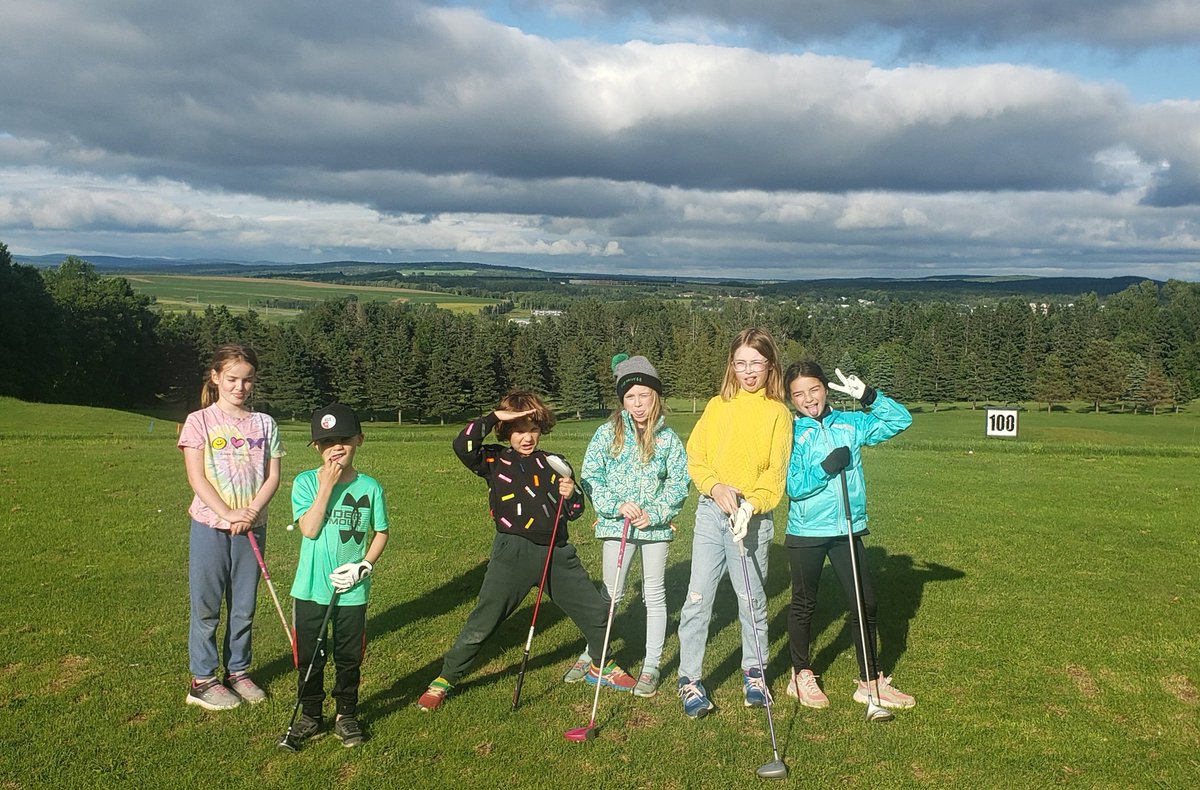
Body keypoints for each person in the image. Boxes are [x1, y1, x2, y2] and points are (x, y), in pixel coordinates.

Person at [417, 391, 637, 711]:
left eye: (532, 429)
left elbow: (574, 510)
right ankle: (446, 679)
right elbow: (462, 445)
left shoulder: (555, 462)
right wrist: (496, 417)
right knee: (483, 622)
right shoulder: (493, 460)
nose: (526, 437)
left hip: (556, 554)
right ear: (507, 432)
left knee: (597, 614)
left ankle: (599, 666)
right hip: (512, 553)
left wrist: (571, 491)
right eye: (518, 430)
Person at [782, 362, 914, 710]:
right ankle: (801, 675)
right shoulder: (791, 433)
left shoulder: (851, 423)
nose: (808, 399)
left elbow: (900, 421)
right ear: (790, 399)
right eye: (798, 394)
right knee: (804, 603)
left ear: (825, 388)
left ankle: (869, 683)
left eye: (813, 389)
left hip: (847, 527)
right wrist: (824, 468)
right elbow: (792, 487)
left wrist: (869, 396)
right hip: (807, 530)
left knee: (864, 603)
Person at [676, 328, 793, 718]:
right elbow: (697, 456)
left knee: (751, 598)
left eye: (756, 363)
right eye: (740, 363)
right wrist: (713, 487)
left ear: (769, 364)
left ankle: (754, 673)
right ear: (732, 365)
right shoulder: (717, 406)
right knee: (698, 599)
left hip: (753, 519)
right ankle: (689, 680)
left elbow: (775, 474)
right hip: (713, 512)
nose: (748, 371)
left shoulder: (778, 413)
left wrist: (750, 505)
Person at [568, 354, 690, 698]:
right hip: (615, 526)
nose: (638, 404)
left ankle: (651, 664)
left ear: (656, 396)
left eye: (645, 396)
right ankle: (594, 653)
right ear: (622, 400)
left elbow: (679, 482)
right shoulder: (609, 432)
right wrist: (615, 506)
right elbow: (592, 475)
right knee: (610, 595)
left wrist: (656, 512)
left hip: (654, 529)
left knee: (654, 594)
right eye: (631, 397)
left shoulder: (668, 439)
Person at [178, 343, 284, 710]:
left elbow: (272, 477)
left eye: (248, 380)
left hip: (253, 526)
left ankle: (237, 671)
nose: (240, 387)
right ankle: (202, 680)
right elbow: (197, 477)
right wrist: (227, 513)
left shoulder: (265, 423)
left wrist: (250, 512)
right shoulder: (199, 421)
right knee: (207, 605)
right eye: (233, 379)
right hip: (211, 525)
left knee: (244, 605)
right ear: (216, 377)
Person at [285, 402, 390, 748]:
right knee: (311, 655)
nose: (336, 448)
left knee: (348, 657)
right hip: (310, 588)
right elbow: (311, 529)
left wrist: (365, 566)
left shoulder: (370, 486)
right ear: (316, 447)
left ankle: (346, 714)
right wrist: (326, 486)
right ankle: (311, 714)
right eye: (327, 442)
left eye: (344, 438)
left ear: (359, 439)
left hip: (353, 590)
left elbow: (381, 532)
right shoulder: (304, 483)